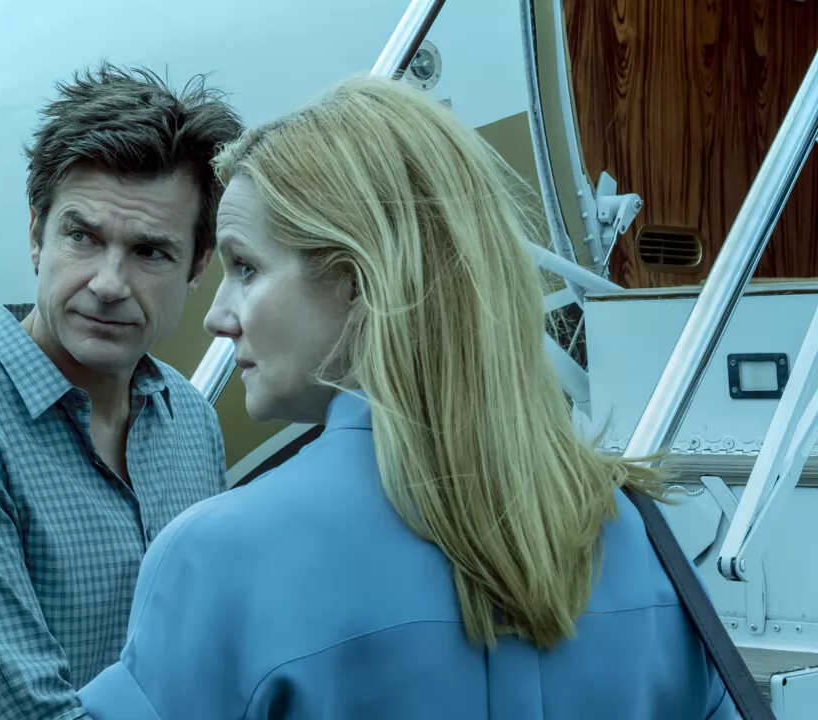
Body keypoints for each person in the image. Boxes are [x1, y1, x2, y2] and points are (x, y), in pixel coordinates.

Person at [76, 75, 732, 718]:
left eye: (245, 268)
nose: (219, 316)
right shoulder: (641, 543)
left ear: (358, 282)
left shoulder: (218, 560)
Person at [0, 61, 243, 720]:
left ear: (198, 265)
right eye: (82, 237)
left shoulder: (190, 422)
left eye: (151, 252)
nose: (109, 283)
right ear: (37, 235)